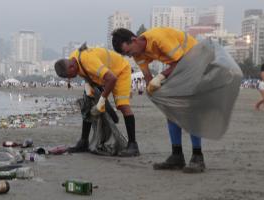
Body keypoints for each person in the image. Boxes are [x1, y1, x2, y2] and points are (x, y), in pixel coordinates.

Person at [112, 27, 205, 173]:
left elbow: (181, 62)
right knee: (170, 109)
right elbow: (148, 76)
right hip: (179, 66)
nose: (130, 56)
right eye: (126, 55)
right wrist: (152, 89)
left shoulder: (158, 38)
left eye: (129, 52)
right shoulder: (138, 53)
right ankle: (177, 155)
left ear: (134, 40)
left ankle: (198, 156)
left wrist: (161, 76)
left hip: (196, 60)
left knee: (189, 109)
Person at [54, 46, 139, 157]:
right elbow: (86, 73)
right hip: (103, 76)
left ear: (71, 67)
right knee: (87, 103)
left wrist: (102, 100)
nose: (70, 79)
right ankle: (84, 141)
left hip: (120, 70)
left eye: (69, 76)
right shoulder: (73, 59)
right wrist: (89, 87)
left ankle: (133, 145)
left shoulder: (88, 61)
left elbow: (112, 78)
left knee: (123, 106)